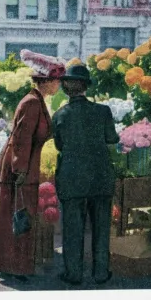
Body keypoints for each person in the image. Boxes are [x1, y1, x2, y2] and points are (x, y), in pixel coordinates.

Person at [0, 50, 60, 279]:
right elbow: (22, 139)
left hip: (23, 164)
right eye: (56, 81)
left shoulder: (36, 100)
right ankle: (15, 266)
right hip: (19, 166)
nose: (59, 85)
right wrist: (20, 170)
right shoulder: (32, 103)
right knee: (18, 214)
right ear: (45, 82)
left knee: (14, 214)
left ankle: (10, 263)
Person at [53, 63, 119, 285]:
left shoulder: (60, 115)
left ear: (66, 88)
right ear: (86, 87)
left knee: (73, 230)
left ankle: (73, 274)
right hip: (100, 177)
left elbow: (59, 145)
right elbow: (112, 138)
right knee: (101, 229)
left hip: (72, 179)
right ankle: (100, 273)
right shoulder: (103, 111)